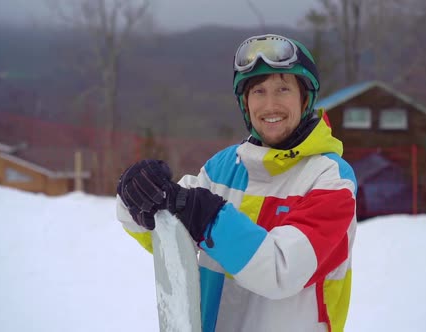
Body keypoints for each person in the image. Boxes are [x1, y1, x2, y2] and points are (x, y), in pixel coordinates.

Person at [116, 33, 357, 332]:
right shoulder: (223, 168)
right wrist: (135, 194)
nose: (270, 105)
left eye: (283, 89)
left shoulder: (330, 178)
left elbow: (281, 272)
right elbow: (167, 236)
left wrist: (208, 218)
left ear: (304, 98)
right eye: (258, 91)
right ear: (245, 102)